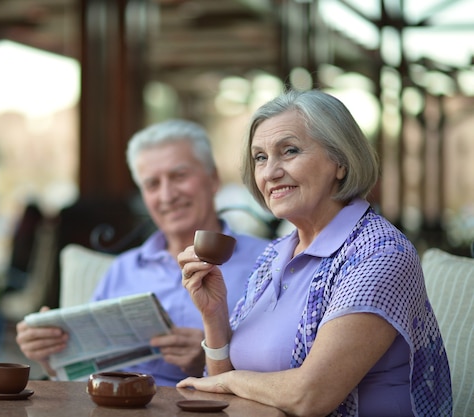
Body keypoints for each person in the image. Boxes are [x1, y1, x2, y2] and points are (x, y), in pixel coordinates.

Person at [177, 90, 452, 416]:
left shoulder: (381, 254)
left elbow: (310, 396)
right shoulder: (275, 255)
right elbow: (221, 393)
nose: (270, 173)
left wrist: (232, 381)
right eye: (260, 158)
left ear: (340, 161)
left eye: (289, 151)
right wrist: (215, 317)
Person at [16, 119, 269, 386]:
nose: (167, 195)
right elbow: (84, 373)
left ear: (213, 179)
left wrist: (213, 356)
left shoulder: (268, 261)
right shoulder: (123, 269)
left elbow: (283, 362)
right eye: (152, 184)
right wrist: (50, 355)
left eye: (179, 176)